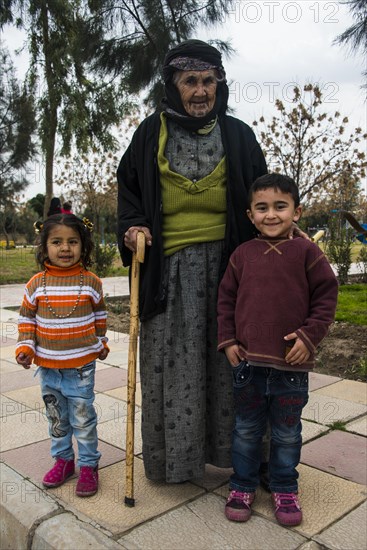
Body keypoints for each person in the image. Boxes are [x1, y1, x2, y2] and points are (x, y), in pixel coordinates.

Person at [117, 39, 268, 483]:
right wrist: (133, 228)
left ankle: (241, 458)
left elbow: (262, 194)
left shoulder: (238, 135)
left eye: (208, 81)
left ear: (219, 84)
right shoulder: (149, 133)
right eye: (190, 82)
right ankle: (173, 463)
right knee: (173, 368)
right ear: (173, 85)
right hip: (170, 272)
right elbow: (128, 194)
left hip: (231, 268)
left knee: (232, 366)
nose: (201, 91)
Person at [217, 173, 338, 526]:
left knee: (286, 433)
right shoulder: (242, 255)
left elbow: (326, 298)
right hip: (248, 364)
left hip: (291, 366)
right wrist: (227, 342)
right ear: (250, 214)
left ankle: (285, 487)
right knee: (246, 429)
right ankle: (242, 485)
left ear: (296, 211)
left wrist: (309, 337)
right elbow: (225, 301)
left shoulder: (307, 253)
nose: (271, 215)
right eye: (262, 208)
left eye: (280, 207)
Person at [15, 214, 109, 497]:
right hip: (48, 369)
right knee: (57, 418)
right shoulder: (36, 284)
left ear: (83, 245)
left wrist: (101, 342)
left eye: (73, 242)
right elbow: (26, 320)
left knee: (83, 418)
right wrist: (25, 347)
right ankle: (64, 461)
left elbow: (100, 316)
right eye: (57, 242)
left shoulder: (91, 282)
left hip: (81, 367)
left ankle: (89, 465)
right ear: (45, 247)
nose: (65, 248)